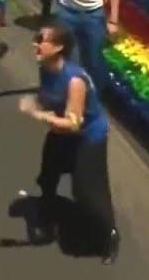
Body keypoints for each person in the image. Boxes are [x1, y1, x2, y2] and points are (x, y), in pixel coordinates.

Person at [18, 21, 119, 264]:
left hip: (87, 136)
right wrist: (44, 108)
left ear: (58, 47)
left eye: (41, 39)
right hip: (62, 133)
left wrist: (37, 114)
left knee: (88, 193)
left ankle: (109, 237)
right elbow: (49, 98)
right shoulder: (45, 67)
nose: (36, 43)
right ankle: (48, 211)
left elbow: (73, 122)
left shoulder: (75, 81)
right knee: (48, 173)